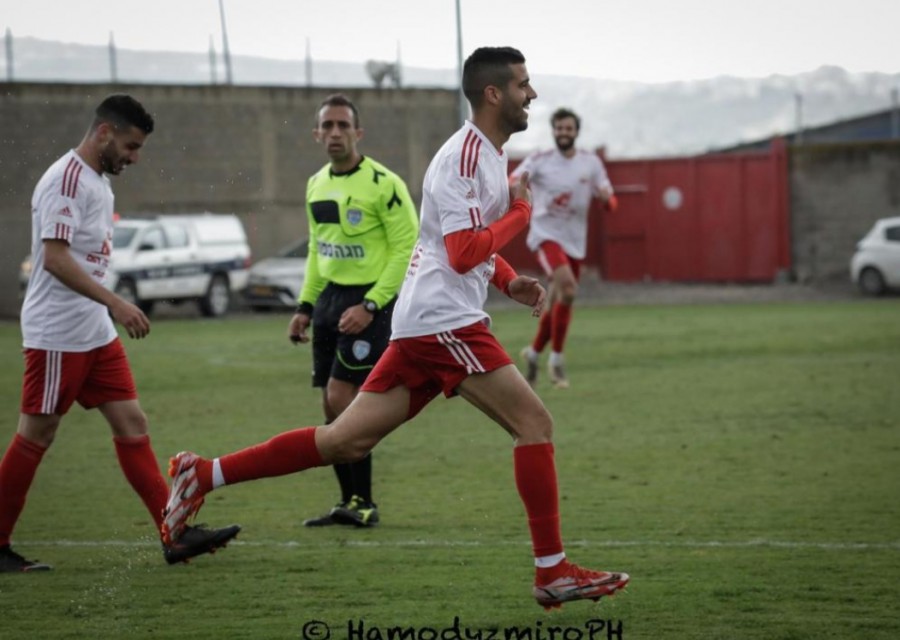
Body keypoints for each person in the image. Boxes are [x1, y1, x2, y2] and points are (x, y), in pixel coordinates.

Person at [162, 47, 629, 609]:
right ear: (493, 94)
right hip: (444, 321)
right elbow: (462, 252)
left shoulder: (488, 155)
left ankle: (201, 474)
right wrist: (521, 215)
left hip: (424, 322)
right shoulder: (462, 159)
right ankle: (552, 572)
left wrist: (508, 282)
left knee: (344, 440)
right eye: (523, 85)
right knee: (534, 424)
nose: (532, 94)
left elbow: (450, 242)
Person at [0, 94, 240, 573]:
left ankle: (174, 534)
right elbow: (55, 258)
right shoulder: (66, 180)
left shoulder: (98, 181)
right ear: (104, 132)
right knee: (37, 433)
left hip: (92, 330)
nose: (135, 157)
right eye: (131, 146)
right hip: (58, 332)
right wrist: (116, 302)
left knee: (133, 424)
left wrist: (105, 310)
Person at [288, 94, 419, 528]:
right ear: (316, 134)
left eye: (343, 125)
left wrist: (372, 304)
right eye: (327, 126)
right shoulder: (315, 184)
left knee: (342, 398)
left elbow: (406, 249)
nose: (335, 133)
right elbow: (317, 248)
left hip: (370, 302)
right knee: (330, 407)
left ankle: (364, 501)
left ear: (358, 133)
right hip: (330, 301)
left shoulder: (384, 183)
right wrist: (306, 305)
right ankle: (351, 501)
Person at [512, 108, 617, 389]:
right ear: (553, 131)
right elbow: (515, 178)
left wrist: (606, 199)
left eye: (568, 128)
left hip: (574, 241)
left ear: (576, 132)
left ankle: (534, 353)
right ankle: (556, 361)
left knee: (559, 298)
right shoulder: (541, 159)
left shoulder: (590, 163)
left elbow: (611, 201)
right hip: (546, 236)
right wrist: (516, 190)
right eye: (559, 128)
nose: (563, 133)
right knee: (568, 289)